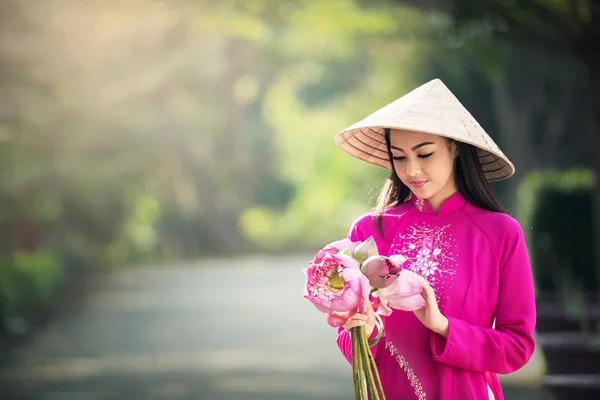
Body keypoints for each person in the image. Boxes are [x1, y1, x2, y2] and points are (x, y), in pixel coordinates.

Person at [333, 79, 536, 400]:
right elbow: (352, 339)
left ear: (455, 147)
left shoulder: (501, 233)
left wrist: (444, 326)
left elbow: (517, 347)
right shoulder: (368, 232)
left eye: (425, 153)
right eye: (399, 157)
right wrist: (366, 333)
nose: (412, 170)